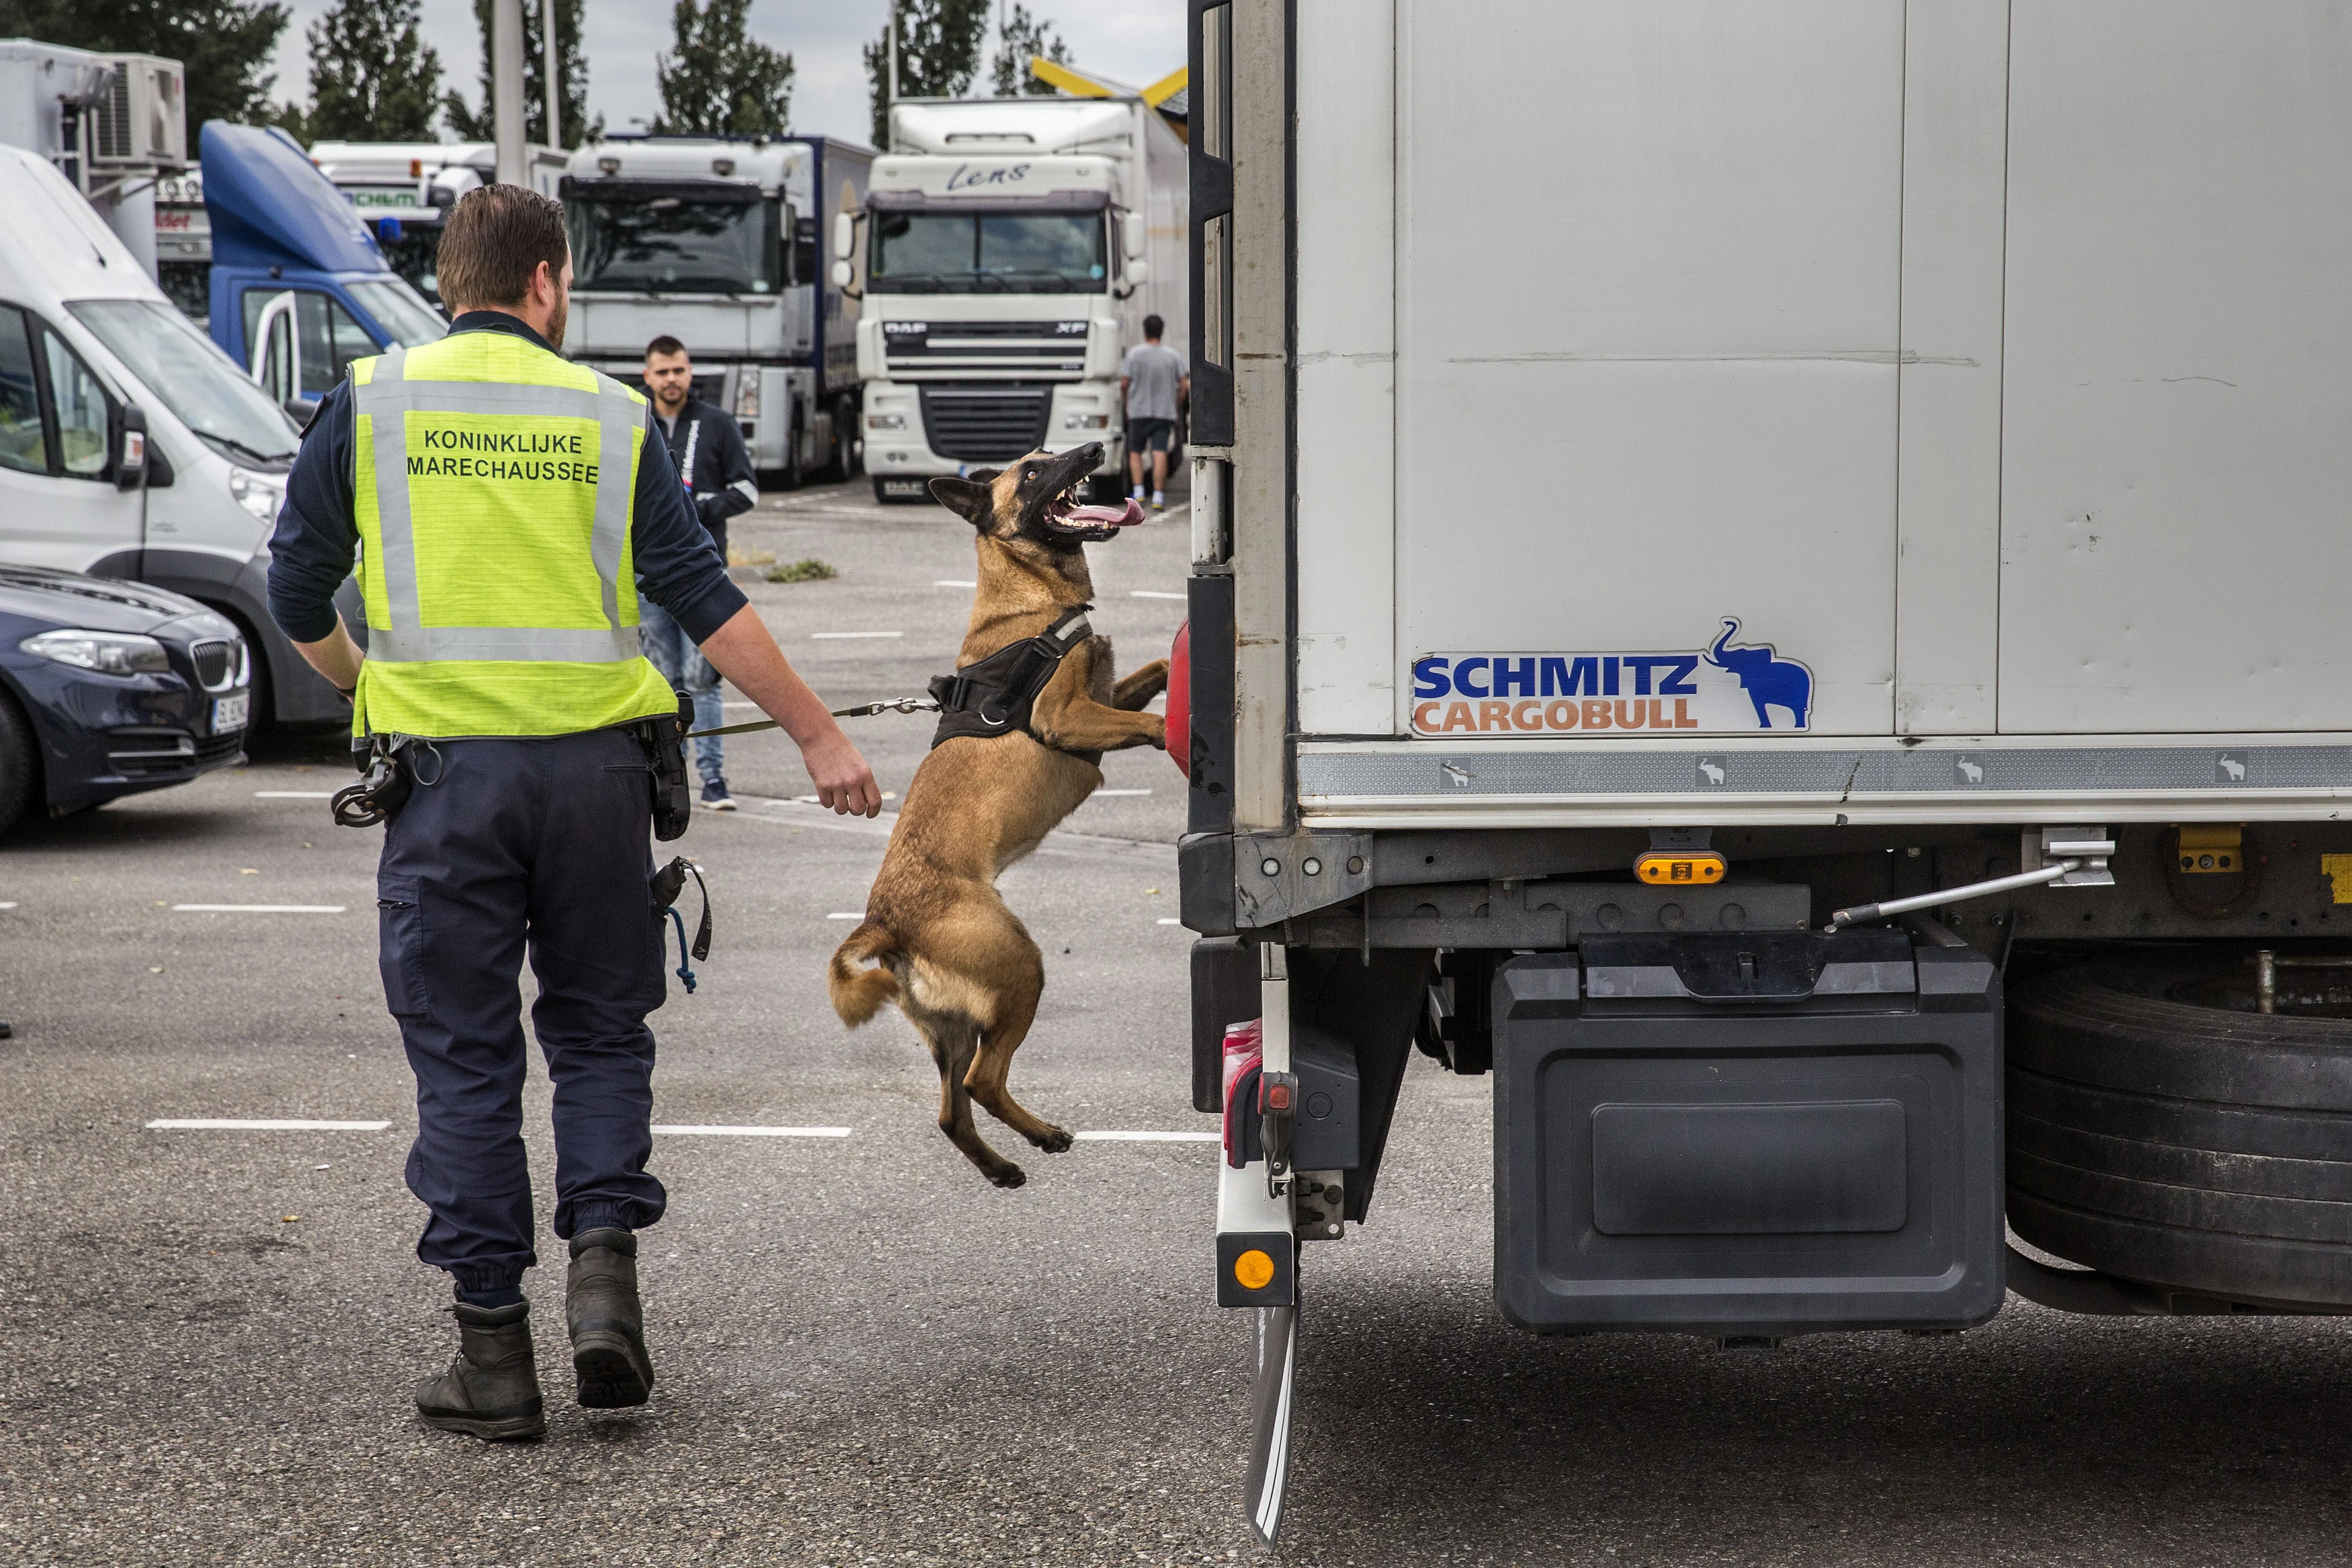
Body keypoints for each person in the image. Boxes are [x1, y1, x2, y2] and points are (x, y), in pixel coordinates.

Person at [266, 184, 881, 1442]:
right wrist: (818, 734)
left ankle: (494, 1356)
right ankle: (605, 1285)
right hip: (601, 781)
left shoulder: (373, 403)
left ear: (450, 282)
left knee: (469, 1058)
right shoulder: (608, 414)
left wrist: (361, 685)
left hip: (442, 785)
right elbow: (704, 598)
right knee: (600, 1035)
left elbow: (295, 585)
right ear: (546, 283)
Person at [639, 335, 756, 810]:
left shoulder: (717, 424)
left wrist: (697, 508)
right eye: (663, 372)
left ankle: (713, 779)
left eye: (679, 371)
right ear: (647, 375)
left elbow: (747, 490)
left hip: (704, 573)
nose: (672, 380)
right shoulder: (634, 419)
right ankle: (672, 776)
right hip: (646, 579)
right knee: (664, 678)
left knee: (703, 677)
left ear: (691, 373)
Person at [1120, 314, 1188, 512]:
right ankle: (1158, 497)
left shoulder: (1133, 355)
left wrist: (1127, 405)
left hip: (1138, 411)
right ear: (1162, 331)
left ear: (1145, 332)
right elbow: (1183, 384)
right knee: (1160, 452)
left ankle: (1139, 493)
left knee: (1135, 452)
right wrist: (1175, 405)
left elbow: (1125, 383)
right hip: (1164, 413)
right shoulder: (1173, 355)